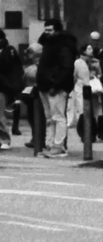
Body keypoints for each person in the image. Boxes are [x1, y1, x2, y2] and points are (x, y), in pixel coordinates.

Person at [36, 18, 78, 158]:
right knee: (50, 118)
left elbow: (67, 67)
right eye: (45, 30)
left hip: (55, 86)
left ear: (57, 31)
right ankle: (50, 144)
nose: (46, 33)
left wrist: (57, 84)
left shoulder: (64, 45)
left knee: (57, 117)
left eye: (50, 30)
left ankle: (58, 145)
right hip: (46, 85)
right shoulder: (49, 43)